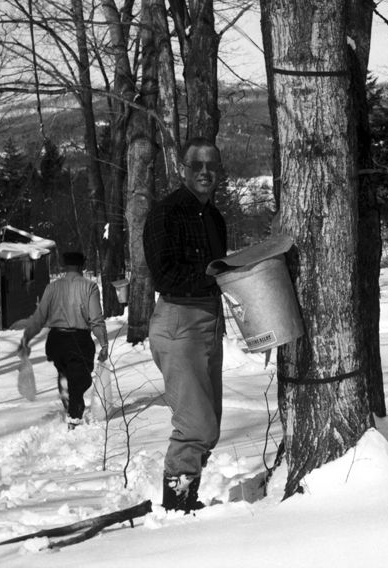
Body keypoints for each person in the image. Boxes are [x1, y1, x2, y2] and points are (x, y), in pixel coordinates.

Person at [143, 137, 228, 512]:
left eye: (212, 166)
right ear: (183, 169)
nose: (205, 172)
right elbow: (165, 276)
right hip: (179, 320)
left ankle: (187, 497)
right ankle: (176, 508)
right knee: (196, 425)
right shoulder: (166, 213)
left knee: (210, 424)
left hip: (208, 322)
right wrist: (217, 276)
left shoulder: (214, 217)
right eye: (197, 166)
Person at [20, 251, 109, 430]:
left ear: (64, 266)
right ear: (82, 266)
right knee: (81, 380)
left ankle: (67, 391)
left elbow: (39, 317)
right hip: (79, 340)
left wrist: (26, 338)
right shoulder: (89, 287)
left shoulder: (52, 288)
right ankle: (74, 418)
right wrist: (104, 343)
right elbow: (96, 319)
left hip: (56, 341)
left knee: (67, 373)